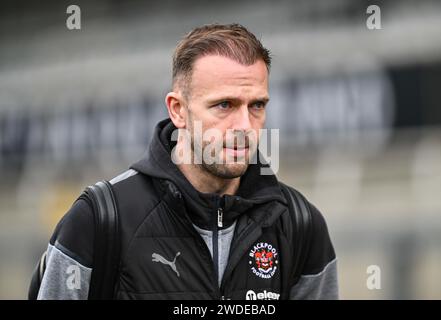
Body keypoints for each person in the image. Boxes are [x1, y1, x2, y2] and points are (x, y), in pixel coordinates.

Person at [36, 23, 338, 300]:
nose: (245, 125)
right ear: (178, 110)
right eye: (224, 105)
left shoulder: (300, 224)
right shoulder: (99, 220)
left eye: (257, 105)